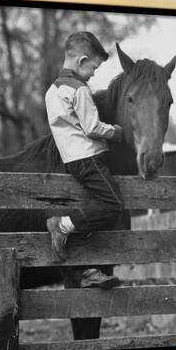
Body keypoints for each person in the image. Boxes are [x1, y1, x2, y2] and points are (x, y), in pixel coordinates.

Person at [44, 32, 125, 288]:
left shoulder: (52, 90)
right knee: (113, 205)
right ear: (81, 61)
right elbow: (91, 127)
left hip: (71, 159)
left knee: (93, 211)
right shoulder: (79, 89)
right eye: (93, 67)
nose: (93, 74)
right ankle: (62, 225)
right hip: (89, 157)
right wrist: (116, 132)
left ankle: (89, 268)